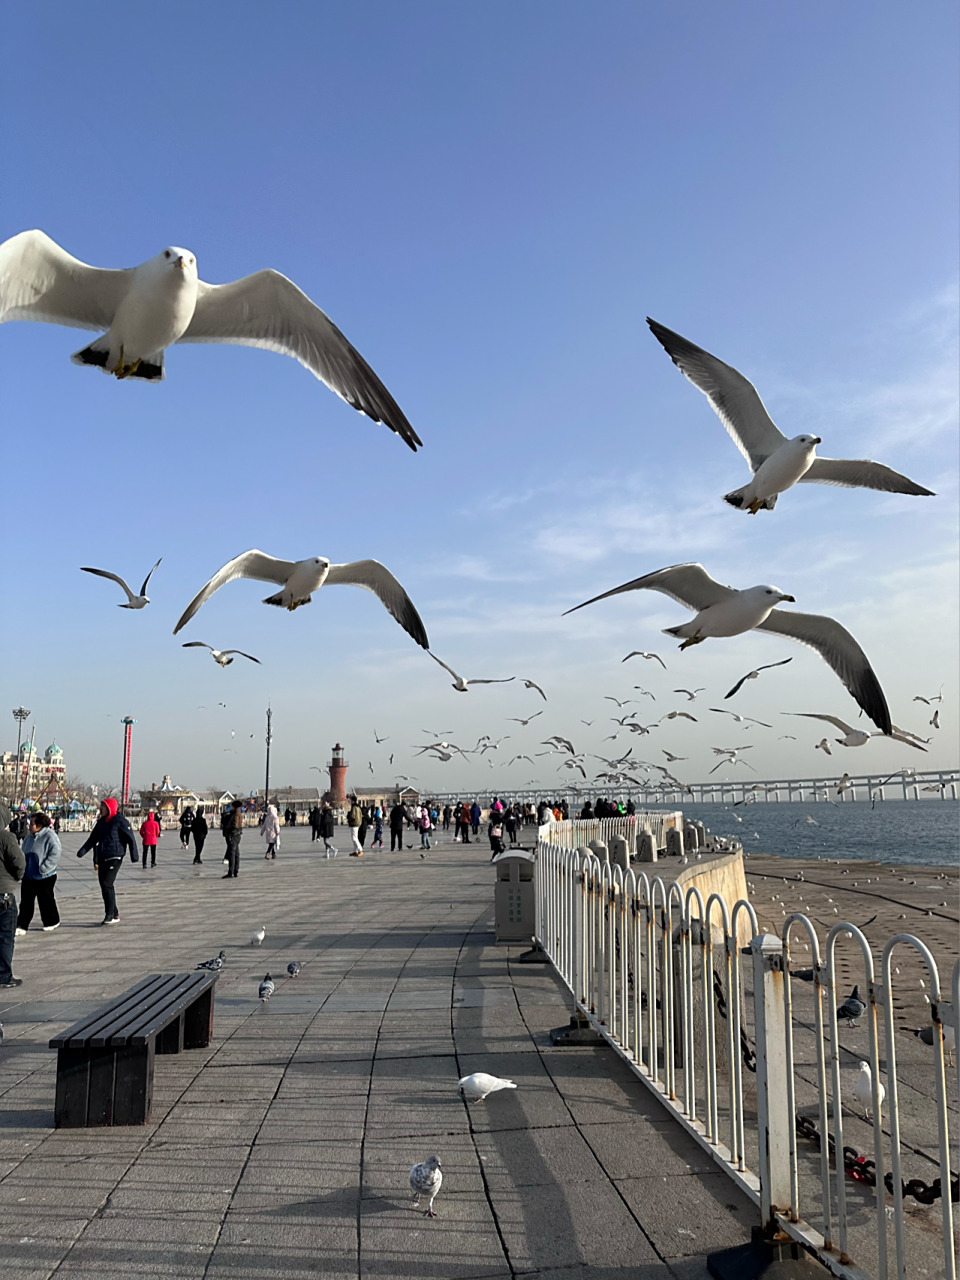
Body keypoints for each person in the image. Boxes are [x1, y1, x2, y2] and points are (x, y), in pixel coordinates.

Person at [77, 798, 139, 924]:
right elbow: (93, 838)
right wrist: (83, 851)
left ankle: (109, 914)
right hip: (103, 856)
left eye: (103, 806)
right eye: (101, 806)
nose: (101, 808)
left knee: (107, 883)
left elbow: (130, 837)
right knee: (104, 885)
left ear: (110, 808)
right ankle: (115, 913)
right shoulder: (101, 822)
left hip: (115, 856)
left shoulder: (120, 821)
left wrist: (134, 855)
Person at [17, 812, 62, 933]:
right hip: (29, 875)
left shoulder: (50, 836)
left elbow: (56, 853)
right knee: (26, 901)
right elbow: (23, 852)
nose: (29, 826)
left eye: (31, 824)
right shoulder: (28, 837)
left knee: (46, 900)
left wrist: (44, 867)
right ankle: (22, 925)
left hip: (45, 875)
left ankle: (52, 921)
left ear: (39, 825)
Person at [0, 802, 26, 986]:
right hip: (4, 894)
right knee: (5, 936)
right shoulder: (6, 837)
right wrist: (16, 878)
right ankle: (3, 976)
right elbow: (19, 862)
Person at [222, 800, 244, 877]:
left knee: (232, 853)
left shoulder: (235, 815)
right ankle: (235, 870)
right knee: (236, 853)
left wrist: (228, 829)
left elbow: (235, 825)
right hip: (237, 835)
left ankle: (231, 872)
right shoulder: (239, 814)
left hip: (233, 835)